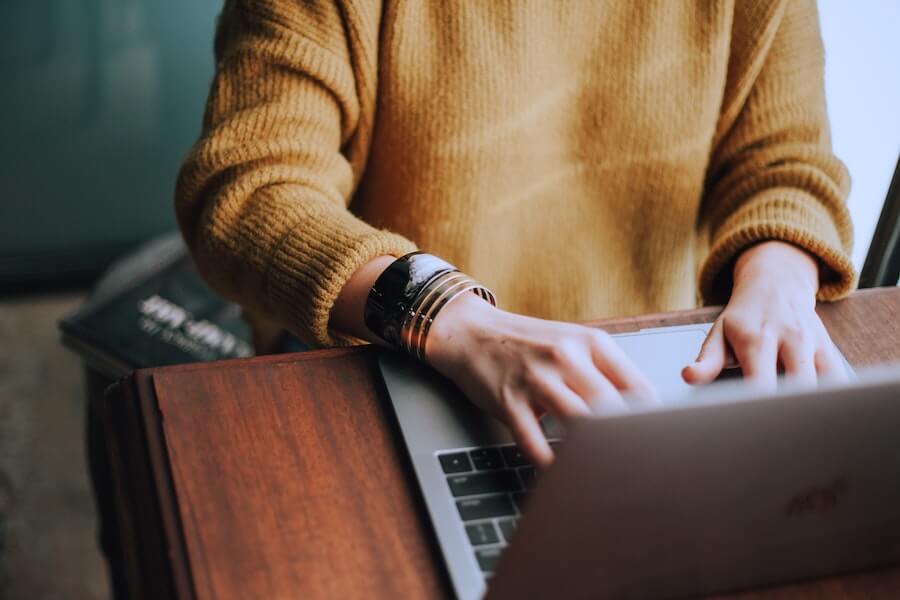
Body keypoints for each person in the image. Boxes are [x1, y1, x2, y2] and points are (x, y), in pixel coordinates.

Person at [176, 0, 855, 466]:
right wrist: (445, 315)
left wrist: (780, 274)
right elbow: (248, 188)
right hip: (388, 357)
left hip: (643, 378)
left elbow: (785, 162)